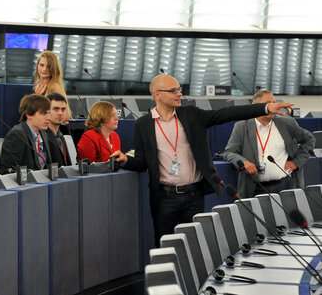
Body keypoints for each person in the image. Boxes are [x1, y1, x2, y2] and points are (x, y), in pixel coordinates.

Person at [118, 74, 295, 245]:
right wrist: (125, 159)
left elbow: (228, 113)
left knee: (194, 246)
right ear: (157, 94)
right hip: (164, 198)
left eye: (179, 89)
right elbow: (142, 162)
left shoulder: (192, 115)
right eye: (173, 90)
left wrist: (265, 108)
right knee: (166, 246)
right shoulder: (143, 124)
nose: (179, 93)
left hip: (194, 195)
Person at [223, 90, 315, 198]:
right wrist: (244, 162)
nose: (274, 106)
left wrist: (296, 162)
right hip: (256, 188)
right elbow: (229, 152)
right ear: (256, 106)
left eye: (274, 102)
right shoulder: (242, 126)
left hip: (286, 185)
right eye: (269, 103)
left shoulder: (287, 123)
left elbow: (309, 140)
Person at [0, 94, 54, 171]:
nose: (49, 118)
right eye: (44, 113)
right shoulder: (17, 135)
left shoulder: (44, 134)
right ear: (29, 115)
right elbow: (8, 171)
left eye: (49, 113)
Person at [45, 93, 72, 166]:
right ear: (46, 111)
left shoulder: (63, 136)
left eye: (63, 109)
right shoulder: (41, 137)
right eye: (56, 109)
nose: (60, 113)